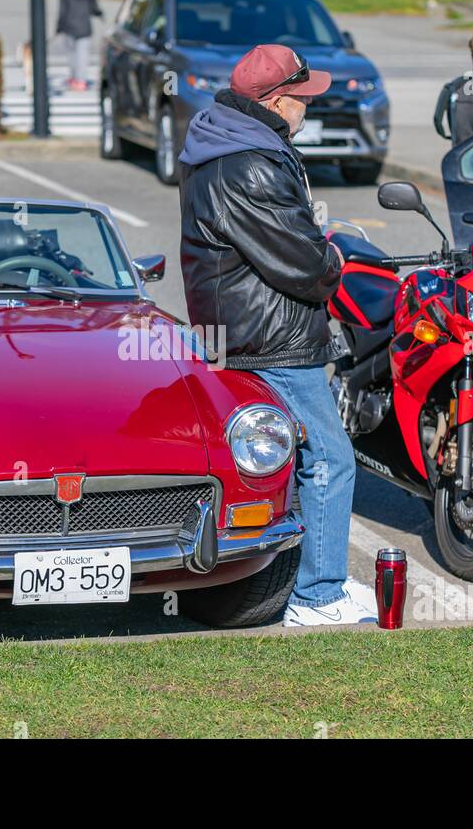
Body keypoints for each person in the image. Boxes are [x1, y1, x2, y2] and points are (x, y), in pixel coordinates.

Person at [178, 44, 377, 626]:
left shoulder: (222, 138)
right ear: (275, 100)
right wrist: (333, 257)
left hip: (238, 326)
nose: (308, 109)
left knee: (276, 460)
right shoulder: (251, 163)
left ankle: (301, 581)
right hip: (269, 335)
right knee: (331, 459)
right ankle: (318, 597)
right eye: (303, 98)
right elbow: (304, 266)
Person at [55, 0, 102, 91]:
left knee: (72, 54)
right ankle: (81, 80)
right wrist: (99, 13)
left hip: (69, 27)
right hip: (84, 27)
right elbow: (94, 7)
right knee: (83, 55)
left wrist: (59, 27)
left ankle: (74, 77)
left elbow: (62, 11)